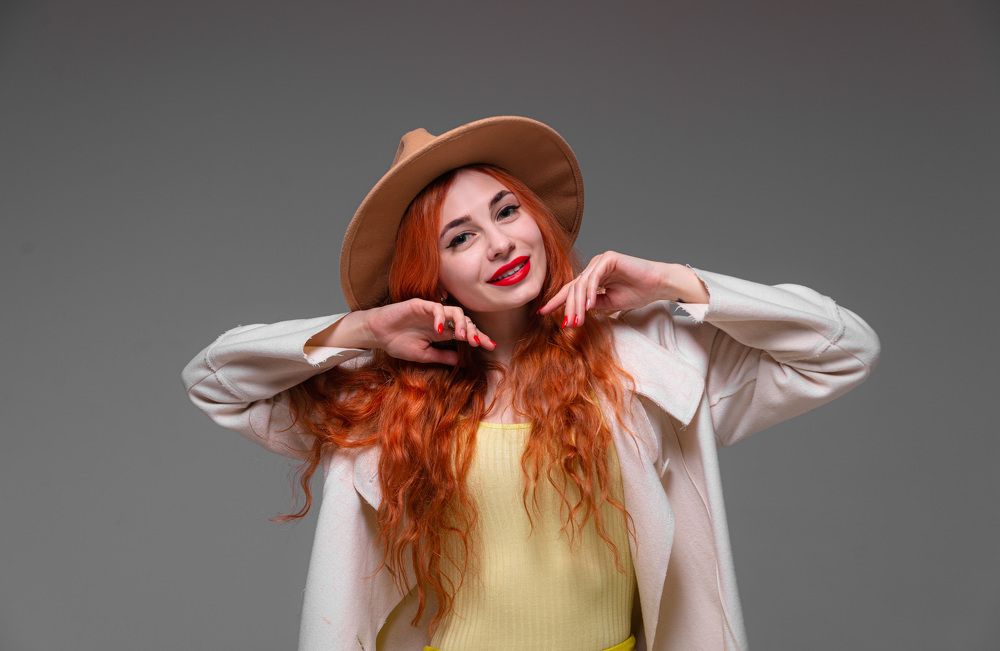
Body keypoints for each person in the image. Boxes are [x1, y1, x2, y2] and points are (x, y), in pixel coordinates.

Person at [180, 115, 881, 651]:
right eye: (459, 238)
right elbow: (216, 381)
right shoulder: (382, 397)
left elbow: (842, 349)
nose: (500, 243)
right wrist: (364, 329)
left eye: (506, 210)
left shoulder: (647, 361)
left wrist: (673, 281)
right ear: (430, 276)